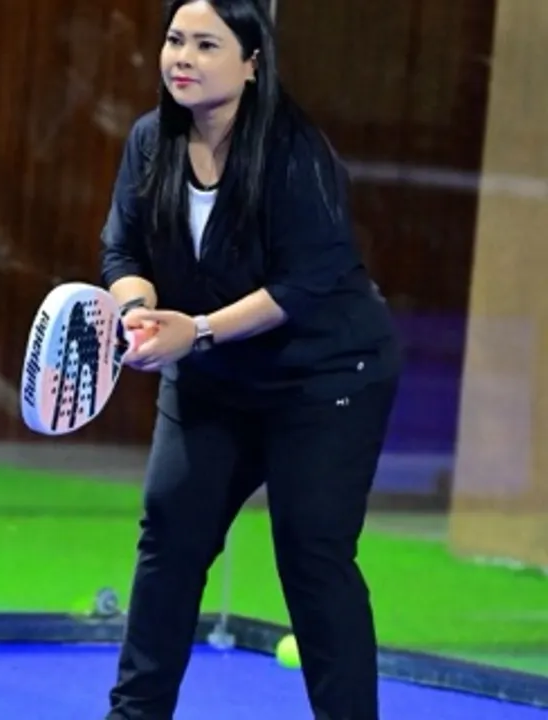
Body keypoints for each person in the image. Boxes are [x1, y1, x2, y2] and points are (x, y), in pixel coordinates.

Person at [99, 0, 402, 718]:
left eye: (207, 45)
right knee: (169, 539)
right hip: (213, 382)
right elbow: (124, 253)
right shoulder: (149, 142)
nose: (183, 58)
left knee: (312, 556)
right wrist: (139, 309)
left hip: (325, 381)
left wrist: (198, 330)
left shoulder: (296, 153)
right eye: (175, 40)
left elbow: (303, 284)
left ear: (252, 65)